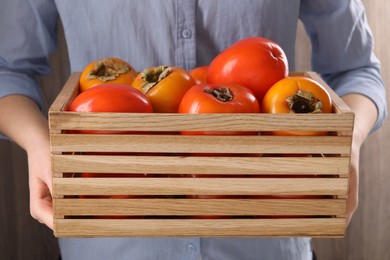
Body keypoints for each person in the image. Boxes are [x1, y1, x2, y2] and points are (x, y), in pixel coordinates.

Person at [0, 0, 387, 259]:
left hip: (265, 236)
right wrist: (40, 145)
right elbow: (7, 70)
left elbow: (357, 71)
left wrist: (345, 143)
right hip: (110, 237)